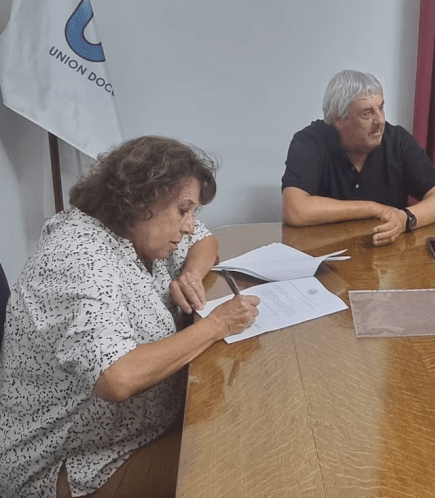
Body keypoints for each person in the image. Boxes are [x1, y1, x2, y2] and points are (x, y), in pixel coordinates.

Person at [0, 136, 260, 498]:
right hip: (76, 465)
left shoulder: (137, 232)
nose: (189, 225)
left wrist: (191, 274)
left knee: (250, 414)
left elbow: (206, 242)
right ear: (140, 200)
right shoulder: (77, 257)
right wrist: (217, 325)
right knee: (243, 460)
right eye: (183, 210)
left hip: (134, 431)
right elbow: (118, 376)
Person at [281, 69, 435, 246]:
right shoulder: (309, 142)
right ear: (338, 119)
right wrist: (372, 208)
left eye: (381, 108)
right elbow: (295, 210)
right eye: (367, 113)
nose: (380, 120)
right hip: (324, 252)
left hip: (387, 253)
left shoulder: (398, 141)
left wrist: (405, 218)